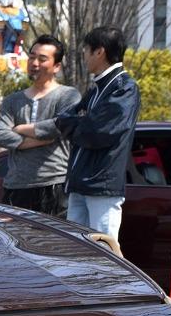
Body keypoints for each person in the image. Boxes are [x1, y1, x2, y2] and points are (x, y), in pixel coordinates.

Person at [49, 26, 140, 238]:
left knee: (103, 248)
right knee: (75, 248)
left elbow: (98, 132)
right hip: (81, 182)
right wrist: (80, 122)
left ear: (99, 52)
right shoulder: (98, 87)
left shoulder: (124, 87)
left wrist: (77, 123)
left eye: (86, 49)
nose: (84, 55)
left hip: (102, 186)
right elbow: (64, 117)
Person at [0, 34, 81, 217]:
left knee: (53, 236)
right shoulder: (12, 100)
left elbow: (58, 127)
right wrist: (41, 140)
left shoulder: (68, 96)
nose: (34, 63)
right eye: (32, 57)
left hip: (54, 184)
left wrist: (20, 129)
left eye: (42, 59)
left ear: (56, 66)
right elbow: (1, 135)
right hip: (16, 186)